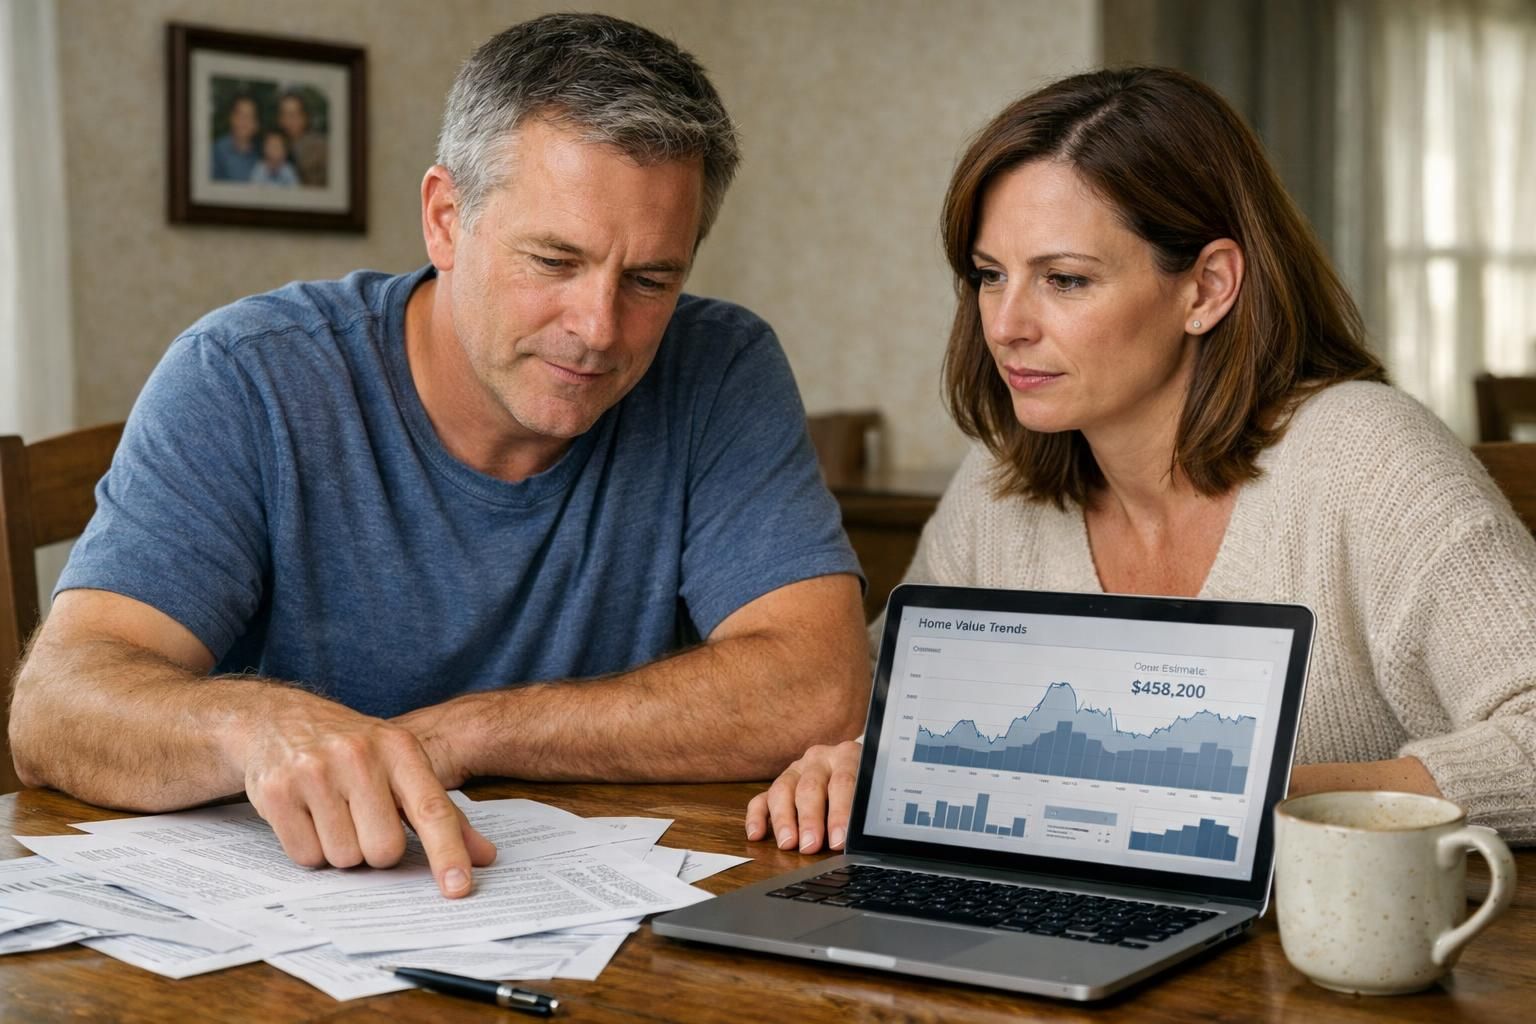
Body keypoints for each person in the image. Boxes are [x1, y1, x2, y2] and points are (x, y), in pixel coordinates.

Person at [9, 13, 869, 900]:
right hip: (289, 933)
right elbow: (58, 709)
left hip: (599, 929)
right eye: (553, 260)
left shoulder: (719, 366)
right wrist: (256, 726)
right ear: (446, 218)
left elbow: (815, 689)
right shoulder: (248, 374)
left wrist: (466, 734)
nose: (599, 329)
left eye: (651, 280)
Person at [745, 66, 1536, 855]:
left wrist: (1258, 796)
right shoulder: (998, 481)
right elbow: (881, 701)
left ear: (1207, 287)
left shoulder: (1369, 458)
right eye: (991, 276)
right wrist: (848, 759)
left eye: (1064, 279)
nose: (1006, 324)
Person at [277, 90, 327, 187]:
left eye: (293, 115)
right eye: (284, 115)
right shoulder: (278, 145)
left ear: (304, 117)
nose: (289, 120)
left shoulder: (320, 147)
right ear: (280, 119)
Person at [210, 92, 260, 182]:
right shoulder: (216, 151)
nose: (244, 122)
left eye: (249, 116)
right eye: (240, 115)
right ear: (232, 118)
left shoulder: (262, 155)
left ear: (256, 124)